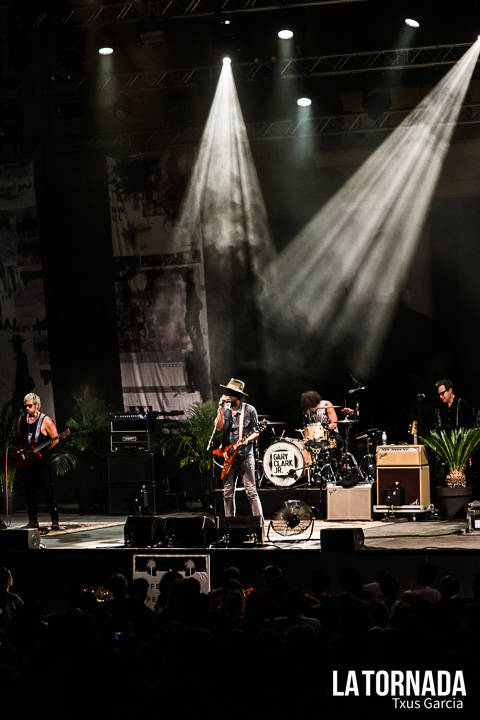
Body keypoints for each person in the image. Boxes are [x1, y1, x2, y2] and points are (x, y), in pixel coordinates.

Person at [215, 378, 263, 518]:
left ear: (238, 395)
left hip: (245, 456)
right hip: (229, 457)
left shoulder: (249, 410)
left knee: (251, 492)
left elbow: (256, 431)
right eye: (227, 392)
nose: (227, 395)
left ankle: (258, 525)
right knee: (227, 493)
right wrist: (221, 407)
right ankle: (230, 525)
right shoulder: (225, 410)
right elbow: (218, 428)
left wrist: (245, 441)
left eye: (231, 393)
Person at [17, 392, 59, 530]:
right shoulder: (21, 420)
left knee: (48, 490)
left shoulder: (45, 420)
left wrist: (43, 451)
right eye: (25, 406)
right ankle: (33, 520)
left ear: (37, 405)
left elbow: (56, 439)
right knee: (29, 491)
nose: (27, 408)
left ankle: (54, 519)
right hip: (28, 461)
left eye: (30, 406)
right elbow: (21, 438)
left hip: (42, 461)